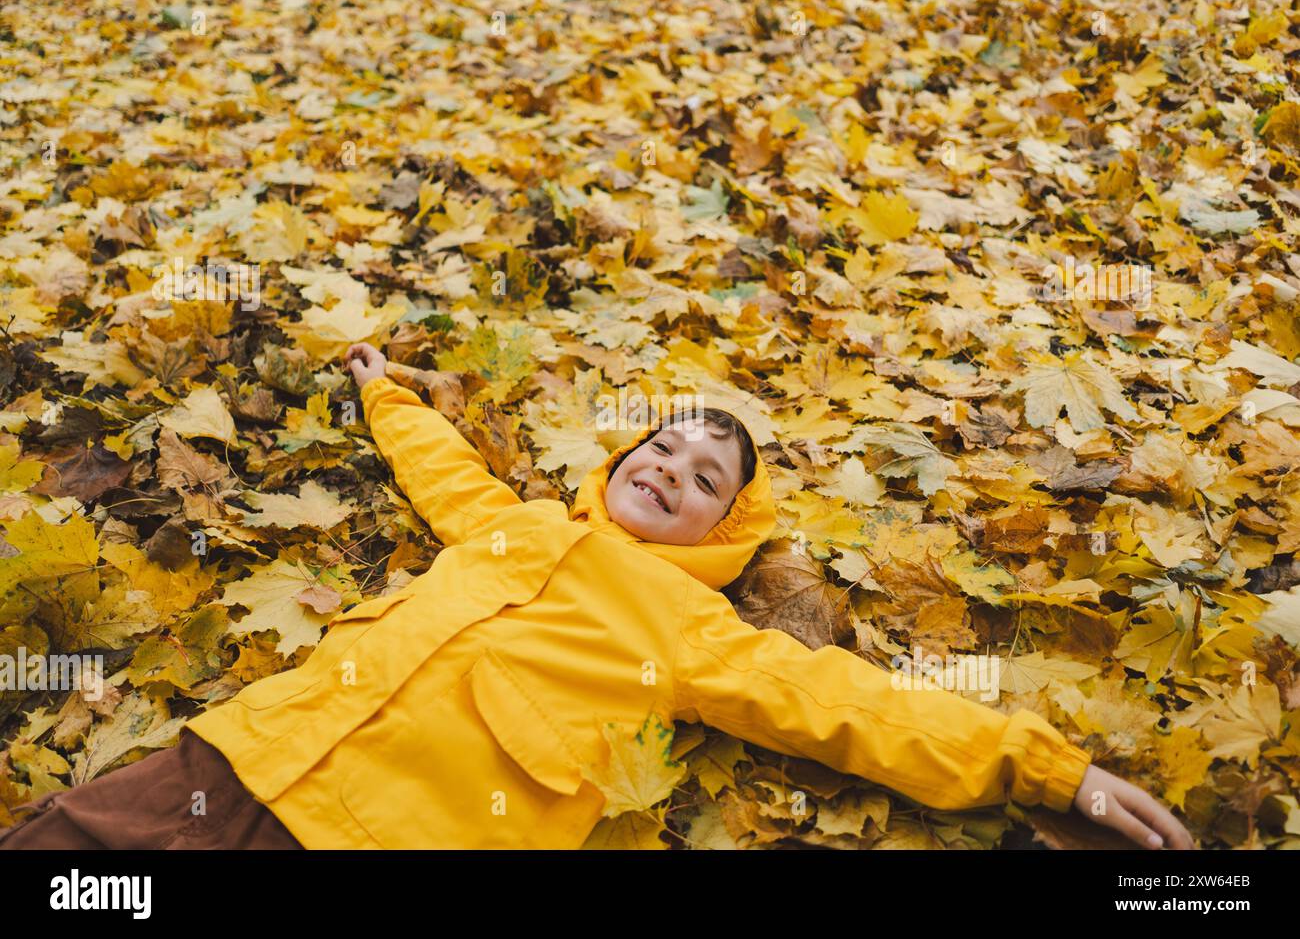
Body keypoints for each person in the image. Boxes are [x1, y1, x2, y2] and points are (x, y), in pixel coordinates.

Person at [0, 342, 1195, 850]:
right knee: (69, 857)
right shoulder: (516, 522)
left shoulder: (691, 628)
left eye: (701, 477)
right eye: (660, 448)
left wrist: (1052, 768)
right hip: (246, 759)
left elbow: (854, 704)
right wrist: (383, 392)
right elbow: (444, 473)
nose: (666, 469)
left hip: (403, 835)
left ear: (723, 525)